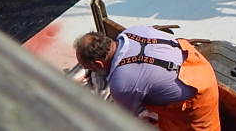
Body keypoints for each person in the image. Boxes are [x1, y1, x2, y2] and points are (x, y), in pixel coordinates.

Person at [74, 25, 220, 131]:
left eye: (88, 67)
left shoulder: (121, 84)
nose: (88, 70)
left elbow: (125, 118)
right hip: (198, 63)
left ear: (98, 63)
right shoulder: (133, 31)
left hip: (199, 93)